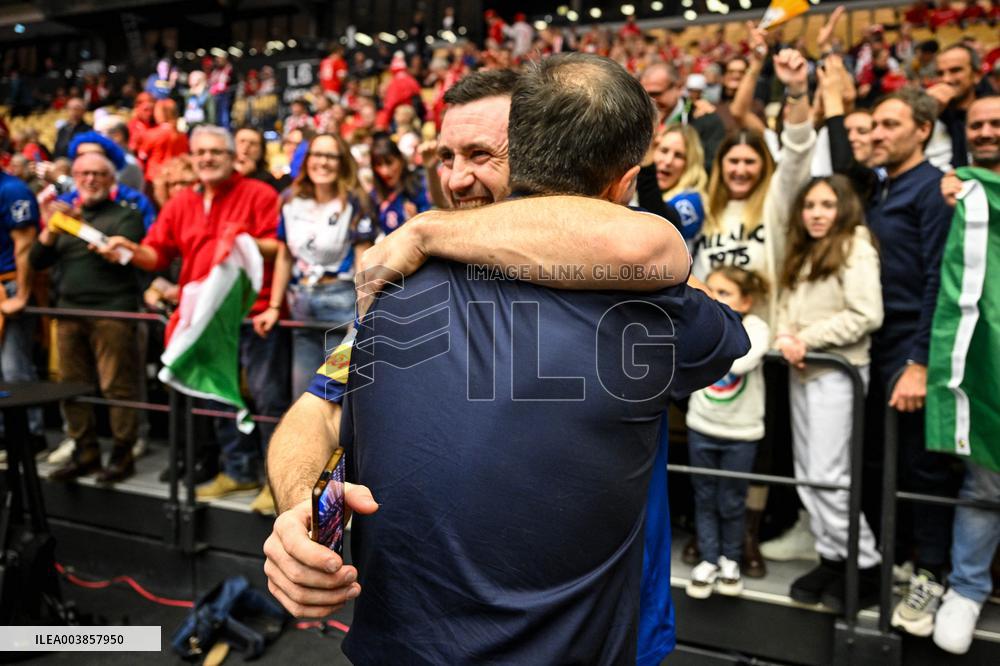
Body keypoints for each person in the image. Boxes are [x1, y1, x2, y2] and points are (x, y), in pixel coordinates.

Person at [276, 52, 749, 664]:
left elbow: (643, 243)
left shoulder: (635, 292)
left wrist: (424, 229)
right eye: (444, 157)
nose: (457, 180)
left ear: (530, 159)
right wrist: (298, 512)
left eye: (481, 156)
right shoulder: (397, 291)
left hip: (604, 617)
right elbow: (317, 412)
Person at [102, 125, 288, 501]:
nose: (207, 158)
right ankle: (238, 471)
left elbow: (280, 248)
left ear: (233, 156)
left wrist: (239, 241)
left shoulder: (260, 193)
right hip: (203, 320)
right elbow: (158, 252)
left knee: (269, 400)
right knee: (215, 398)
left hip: (253, 315)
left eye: (215, 152)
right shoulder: (181, 202)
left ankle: (276, 482)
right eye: (200, 152)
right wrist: (130, 250)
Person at [862, 89, 958, 635]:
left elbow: (938, 283)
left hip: (911, 345)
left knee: (923, 465)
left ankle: (932, 571)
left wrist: (921, 360)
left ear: (923, 130)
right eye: (873, 124)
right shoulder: (879, 188)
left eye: (890, 124)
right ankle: (897, 558)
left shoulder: (932, 191)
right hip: (875, 343)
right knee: (880, 459)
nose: (877, 133)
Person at [774, 175, 884, 612]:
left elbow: (866, 313)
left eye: (826, 204)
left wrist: (806, 339)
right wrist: (786, 337)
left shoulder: (855, 243)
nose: (817, 213)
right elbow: (787, 306)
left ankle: (867, 563)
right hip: (804, 371)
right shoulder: (804, 250)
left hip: (838, 374)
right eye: (810, 205)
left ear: (844, 208)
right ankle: (834, 557)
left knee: (829, 474)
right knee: (809, 473)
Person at [927, 95, 1000, 654]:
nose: (987, 131)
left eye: (997, 122)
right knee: (984, 481)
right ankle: (968, 589)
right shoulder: (959, 189)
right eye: (977, 124)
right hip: (988, 363)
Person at [31, 153, 144, 484]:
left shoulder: (126, 215)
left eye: (98, 173)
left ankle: (122, 455)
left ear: (111, 180)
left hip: (112, 312)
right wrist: (52, 230)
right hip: (68, 312)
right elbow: (37, 259)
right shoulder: (60, 218)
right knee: (70, 386)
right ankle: (86, 452)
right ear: (74, 179)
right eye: (84, 174)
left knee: (117, 387)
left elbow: (126, 255)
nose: (90, 179)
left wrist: (79, 225)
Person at [252, 132, 375, 406]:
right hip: (301, 308)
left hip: (341, 310)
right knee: (304, 400)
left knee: (336, 400)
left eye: (331, 156)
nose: (323, 162)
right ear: (307, 160)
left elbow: (365, 263)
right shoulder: (290, 201)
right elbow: (284, 255)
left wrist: (362, 320)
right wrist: (274, 306)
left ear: (343, 162)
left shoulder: (356, 201)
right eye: (318, 154)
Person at [685, 266, 770, 599]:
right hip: (702, 427)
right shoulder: (700, 324)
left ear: (746, 301)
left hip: (741, 433)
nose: (715, 299)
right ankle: (708, 559)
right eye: (712, 291)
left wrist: (707, 348)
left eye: (725, 293)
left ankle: (730, 560)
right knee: (704, 498)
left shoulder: (757, 327)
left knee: (732, 501)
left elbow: (741, 359)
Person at [0, 163, 43, 440]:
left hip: (10, 283)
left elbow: (25, 245)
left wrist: (23, 294)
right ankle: (5, 434)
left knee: (14, 367)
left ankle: (28, 435)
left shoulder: (13, 190)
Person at [641, 62, 725, 171]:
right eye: (643, 95)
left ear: (678, 87)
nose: (650, 101)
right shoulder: (637, 120)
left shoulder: (705, 119)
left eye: (656, 94)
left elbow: (712, 164)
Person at [638, 123, 709, 249]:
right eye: (663, 150)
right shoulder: (631, 189)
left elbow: (661, 224)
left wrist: (647, 167)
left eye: (679, 156)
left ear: (690, 164)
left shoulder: (693, 200)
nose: (668, 161)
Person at [929, 43, 991, 167]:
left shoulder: (994, 112)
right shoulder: (931, 114)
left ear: (977, 75)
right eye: (940, 73)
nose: (946, 79)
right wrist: (928, 112)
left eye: (955, 70)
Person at [369, 135, 430, 234]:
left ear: (400, 160)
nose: (384, 171)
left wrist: (417, 220)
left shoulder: (419, 185)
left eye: (389, 163)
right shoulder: (374, 195)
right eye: (378, 165)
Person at [135, 99, 189, 186]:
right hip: (176, 177)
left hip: (155, 178)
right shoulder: (182, 135)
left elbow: (142, 156)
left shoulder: (152, 134)